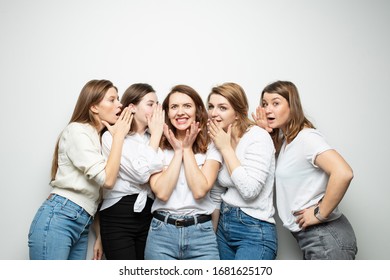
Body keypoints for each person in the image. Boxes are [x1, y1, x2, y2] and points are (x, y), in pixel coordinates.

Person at [28, 79, 133, 260]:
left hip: (83, 222)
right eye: (112, 99)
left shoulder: (101, 140)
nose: (120, 104)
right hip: (60, 217)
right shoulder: (77, 131)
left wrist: (99, 235)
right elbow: (108, 180)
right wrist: (119, 137)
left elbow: (96, 196)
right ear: (94, 107)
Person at [254, 80, 357, 259]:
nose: (268, 109)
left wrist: (319, 213)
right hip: (315, 238)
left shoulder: (307, 138)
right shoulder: (288, 142)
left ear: (292, 106)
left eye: (275, 103)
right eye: (264, 104)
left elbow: (343, 173)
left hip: (325, 236)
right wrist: (266, 131)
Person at [144, 84, 222, 260]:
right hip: (161, 233)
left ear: (197, 110)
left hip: (201, 234)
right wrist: (178, 152)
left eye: (187, 106)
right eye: (174, 107)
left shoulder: (212, 145)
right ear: (166, 113)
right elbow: (162, 193)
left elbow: (200, 190)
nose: (180, 112)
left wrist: (187, 149)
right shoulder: (156, 145)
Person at [207, 82, 277, 260]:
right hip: (224, 226)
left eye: (222, 108)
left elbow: (249, 191)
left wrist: (226, 149)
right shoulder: (219, 140)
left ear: (237, 113)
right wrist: (212, 238)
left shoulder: (257, 137)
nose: (214, 113)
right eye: (211, 106)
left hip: (254, 230)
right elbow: (216, 194)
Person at [99, 83, 164, 259]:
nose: (157, 110)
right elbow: (142, 174)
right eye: (151, 104)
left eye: (158, 104)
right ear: (132, 108)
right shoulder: (111, 136)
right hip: (118, 214)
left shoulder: (156, 139)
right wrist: (157, 137)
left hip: (149, 214)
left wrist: (156, 136)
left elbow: (159, 175)